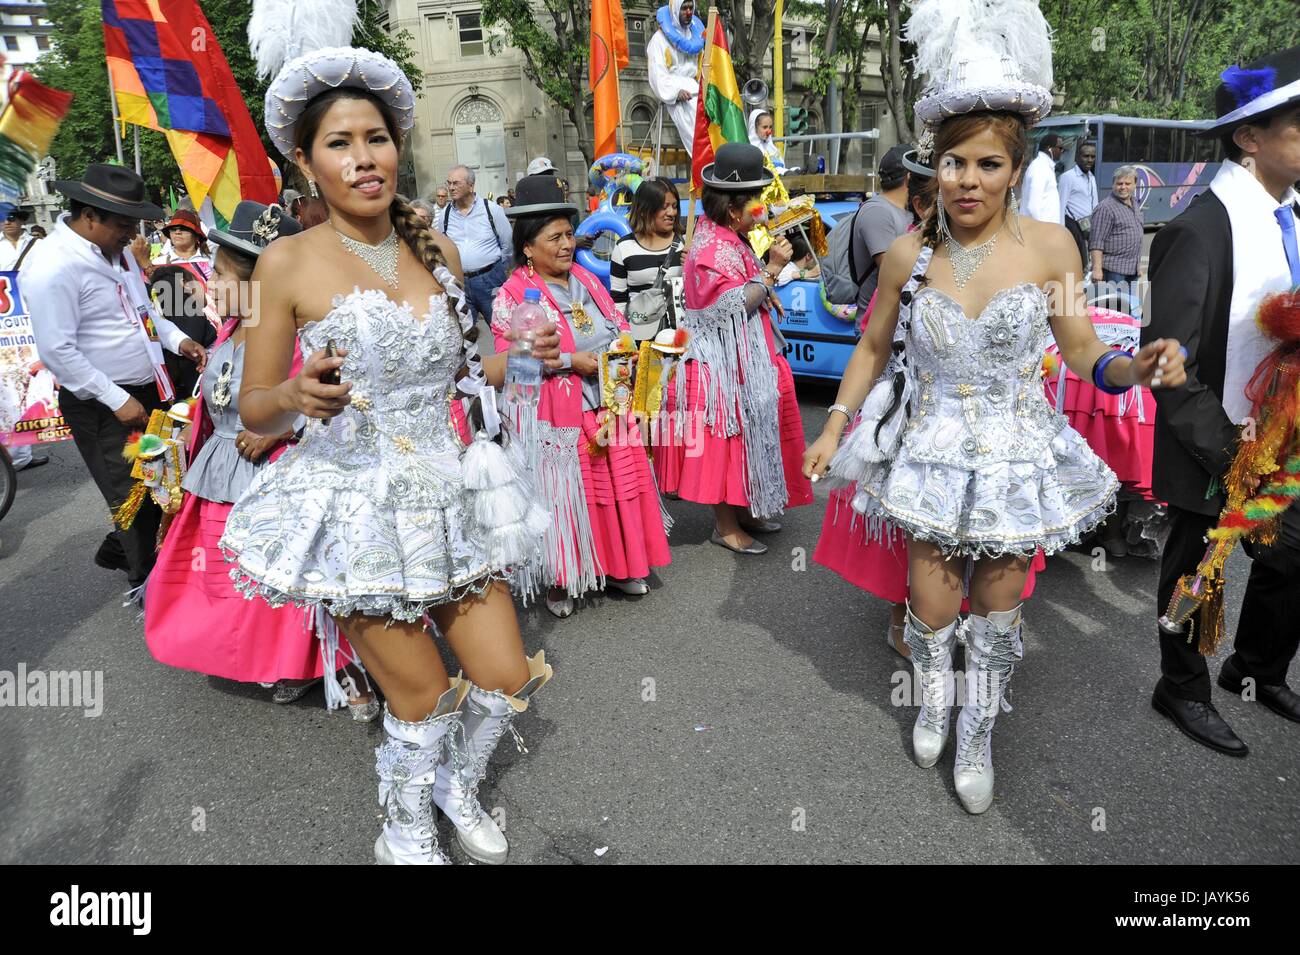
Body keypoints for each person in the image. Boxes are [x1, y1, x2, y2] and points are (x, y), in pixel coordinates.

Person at [803, 0, 1185, 815]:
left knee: (998, 611)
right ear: (932, 167)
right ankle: (936, 701)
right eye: (952, 164)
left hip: (1016, 450)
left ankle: (979, 728)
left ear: (1015, 169)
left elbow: (1081, 350)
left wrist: (1133, 366)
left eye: (986, 165)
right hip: (933, 447)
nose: (967, 181)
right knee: (932, 608)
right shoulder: (907, 251)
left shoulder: (1052, 245)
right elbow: (872, 348)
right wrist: (834, 424)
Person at [221, 43, 560, 866]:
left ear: (397, 145)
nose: (362, 158)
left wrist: (528, 353)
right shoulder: (284, 260)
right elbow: (251, 405)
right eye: (338, 143)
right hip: (358, 502)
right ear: (304, 161)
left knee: (507, 675)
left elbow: (473, 371)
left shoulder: (436, 250)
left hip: (448, 493)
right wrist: (294, 397)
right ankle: (404, 824)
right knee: (418, 695)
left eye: (374, 138)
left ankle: (456, 785)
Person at [144, 201, 379, 721]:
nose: (210, 288)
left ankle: (340, 665)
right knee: (240, 582)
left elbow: (342, 398)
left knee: (303, 576)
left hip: (284, 477)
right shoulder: (227, 331)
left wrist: (278, 431)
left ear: (258, 285)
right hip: (221, 473)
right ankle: (269, 659)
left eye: (221, 276)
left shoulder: (301, 336)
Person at [1144, 46, 1300, 756]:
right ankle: (1180, 684)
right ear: (1249, 137)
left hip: (1288, 434)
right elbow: (1168, 364)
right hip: (1220, 438)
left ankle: (1258, 666)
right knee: (1194, 571)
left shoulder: (1291, 214)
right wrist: (1234, 452)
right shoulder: (1202, 229)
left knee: (1290, 556)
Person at [491, 175, 672, 618]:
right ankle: (563, 578)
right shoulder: (514, 294)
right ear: (528, 248)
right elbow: (513, 365)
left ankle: (618, 566)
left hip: (608, 401)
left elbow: (617, 321)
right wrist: (573, 361)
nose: (566, 245)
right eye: (554, 238)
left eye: (569, 235)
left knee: (613, 488)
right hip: (558, 412)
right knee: (564, 497)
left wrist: (624, 350)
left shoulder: (587, 281)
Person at [25, 164, 207, 590]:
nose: (133, 235)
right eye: (124, 225)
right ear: (90, 216)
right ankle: (147, 584)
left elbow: (146, 315)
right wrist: (116, 399)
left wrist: (179, 341)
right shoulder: (54, 264)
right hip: (104, 405)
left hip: (148, 391)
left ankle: (128, 552)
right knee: (132, 496)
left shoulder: (120, 253)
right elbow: (58, 350)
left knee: (162, 482)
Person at [655, 142, 814, 554]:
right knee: (727, 443)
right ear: (732, 209)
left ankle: (745, 511)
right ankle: (725, 526)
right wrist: (772, 272)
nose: (761, 208)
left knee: (751, 434)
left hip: (746, 357)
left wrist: (765, 284)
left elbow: (747, 290)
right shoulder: (711, 248)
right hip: (720, 365)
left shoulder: (729, 237)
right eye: (756, 200)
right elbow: (731, 304)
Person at [609, 176, 682, 336]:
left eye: (675, 206)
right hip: (640, 338)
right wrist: (624, 339)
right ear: (644, 210)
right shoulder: (623, 248)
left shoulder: (685, 245)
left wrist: (691, 266)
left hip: (680, 337)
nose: (671, 213)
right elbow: (618, 301)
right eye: (664, 207)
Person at [440, 163, 513, 322]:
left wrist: (500, 269)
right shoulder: (444, 215)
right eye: (449, 183)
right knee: (465, 335)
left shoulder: (491, 210)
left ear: (471, 185)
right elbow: (442, 246)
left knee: (501, 327)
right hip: (459, 283)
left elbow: (507, 244)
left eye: (456, 183)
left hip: (490, 279)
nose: (451, 188)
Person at [852, 144, 914, 316]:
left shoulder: (907, 211)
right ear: (910, 177)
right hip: (877, 325)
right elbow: (891, 270)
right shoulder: (877, 212)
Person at [148, 264, 217, 399]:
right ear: (185, 284)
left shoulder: (169, 318)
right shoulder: (191, 314)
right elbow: (190, 362)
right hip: (200, 392)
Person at [646, 0, 702, 157]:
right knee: (697, 138)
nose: (689, 12)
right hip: (677, 95)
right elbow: (657, 74)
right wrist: (676, 92)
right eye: (684, 8)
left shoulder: (696, 37)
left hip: (696, 91)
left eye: (691, 8)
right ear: (676, 9)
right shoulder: (659, 39)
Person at [1088, 165, 1144, 292]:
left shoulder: (1135, 203)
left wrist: (1138, 266)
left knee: (1128, 308)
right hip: (1113, 271)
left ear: (1135, 184)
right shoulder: (1105, 208)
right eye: (1119, 183)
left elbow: (1137, 235)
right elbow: (1096, 242)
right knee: (1115, 308)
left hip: (1132, 270)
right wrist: (1097, 269)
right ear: (1113, 184)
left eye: (1127, 183)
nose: (1123, 187)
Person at [1058, 141, 1098, 268]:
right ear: (1077, 157)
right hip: (1073, 226)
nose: (1089, 160)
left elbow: (1095, 203)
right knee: (1078, 262)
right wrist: (1060, 232)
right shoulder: (1068, 177)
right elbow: (1061, 205)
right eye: (1086, 156)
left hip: (1088, 226)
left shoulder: (1091, 177)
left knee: (1090, 263)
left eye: (1092, 156)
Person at [142, 209, 213, 280]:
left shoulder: (212, 261)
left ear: (197, 236)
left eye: (183, 228)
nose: (177, 232)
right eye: (173, 229)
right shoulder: (158, 263)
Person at [1020, 131, 1062, 223]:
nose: (1062, 151)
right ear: (1049, 148)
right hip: (1040, 231)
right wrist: (1042, 232)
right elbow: (1033, 206)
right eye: (1060, 148)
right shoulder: (1040, 167)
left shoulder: (1045, 167)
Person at [747, 109, 788, 174]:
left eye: (770, 127)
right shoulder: (749, 148)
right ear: (755, 127)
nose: (769, 131)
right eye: (765, 127)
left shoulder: (771, 147)